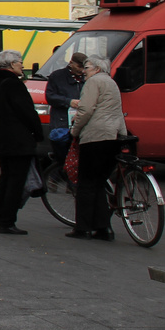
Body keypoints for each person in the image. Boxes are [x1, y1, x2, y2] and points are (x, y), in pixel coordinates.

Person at [0, 48, 45, 235]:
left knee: (5, 179)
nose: (22, 65)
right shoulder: (13, 84)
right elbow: (27, 112)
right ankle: (6, 221)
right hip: (18, 140)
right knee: (15, 181)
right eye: (20, 62)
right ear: (11, 64)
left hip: (2, 139)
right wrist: (38, 133)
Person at [68, 54, 127, 241]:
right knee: (100, 182)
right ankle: (103, 228)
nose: (84, 71)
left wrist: (75, 131)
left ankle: (83, 227)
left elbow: (85, 110)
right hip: (113, 136)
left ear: (97, 69)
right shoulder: (111, 83)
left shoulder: (93, 83)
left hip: (96, 136)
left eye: (87, 67)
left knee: (86, 183)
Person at [44, 52, 88, 159]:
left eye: (84, 67)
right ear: (71, 63)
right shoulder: (57, 76)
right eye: (79, 66)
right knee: (62, 156)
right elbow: (50, 96)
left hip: (80, 123)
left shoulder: (87, 77)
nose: (81, 70)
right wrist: (68, 101)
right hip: (61, 123)